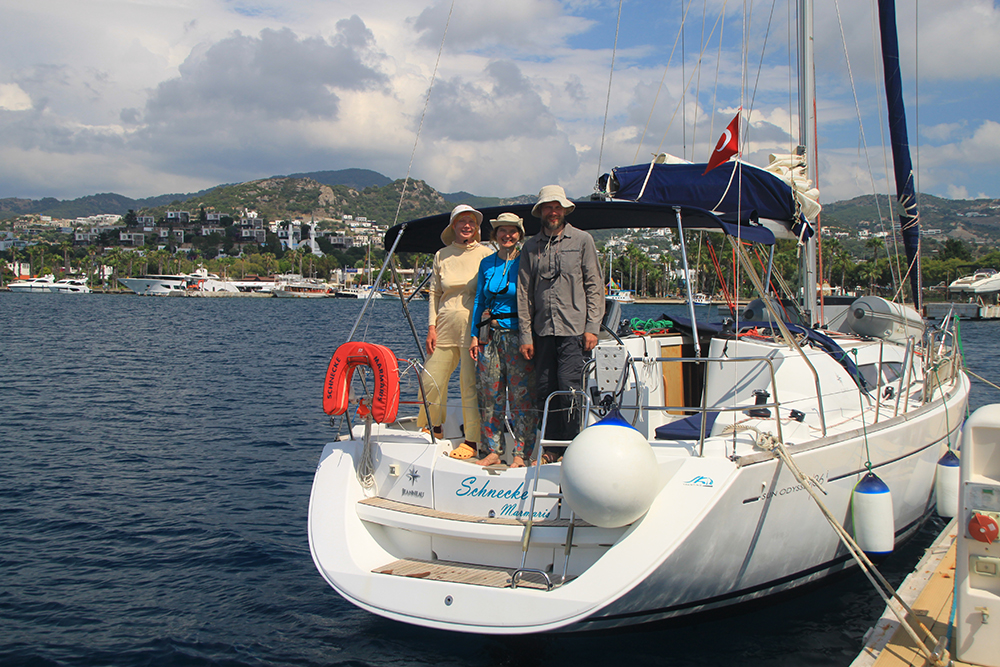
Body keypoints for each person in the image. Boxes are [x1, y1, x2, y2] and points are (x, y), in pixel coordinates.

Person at [517, 185, 603, 446]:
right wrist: (525, 336)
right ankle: (551, 446)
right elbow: (524, 293)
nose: (553, 212)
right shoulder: (530, 246)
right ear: (541, 212)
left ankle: (571, 445)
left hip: (574, 330)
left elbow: (594, 285)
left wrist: (592, 327)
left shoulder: (582, 241)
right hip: (542, 331)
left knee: (569, 388)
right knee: (544, 389)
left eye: (557, 207)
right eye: (548, 207)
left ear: (564, 210)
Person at [418, 204, 495, 459]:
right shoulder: (442, 255)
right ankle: (434, 425)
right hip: (444, 326)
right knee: (430, 378)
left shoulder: (486, 254)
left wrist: (483, 331)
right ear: (453, 226)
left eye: (471, 222)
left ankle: (472, 440)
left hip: (473, 327)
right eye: (462, 221)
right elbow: (434, 293)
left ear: (477, 227)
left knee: (469, 384)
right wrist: (431, 326)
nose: (467, 226)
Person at [469, 213, 538, 468]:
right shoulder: (487, 263)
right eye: (502, 231)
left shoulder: (525, 261)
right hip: (490, 336)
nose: (507, 235)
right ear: (495, 235)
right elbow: (479, 299)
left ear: (519, 235)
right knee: (489, 395)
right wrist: (474, 335)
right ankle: (492, 450)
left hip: (519, 336)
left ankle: (521, 453)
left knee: (521, 397)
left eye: (512, 231)